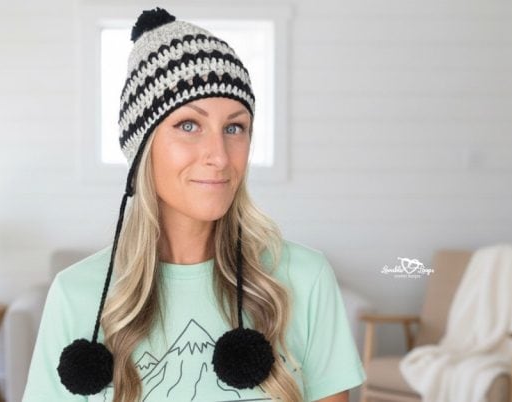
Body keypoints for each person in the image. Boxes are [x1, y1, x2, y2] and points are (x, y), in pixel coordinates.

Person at [22, 7, 366, 402]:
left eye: (234, 127)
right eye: (189, 125)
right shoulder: (76, 294)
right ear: (143, 148)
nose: (219, 156)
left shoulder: (304, 279)